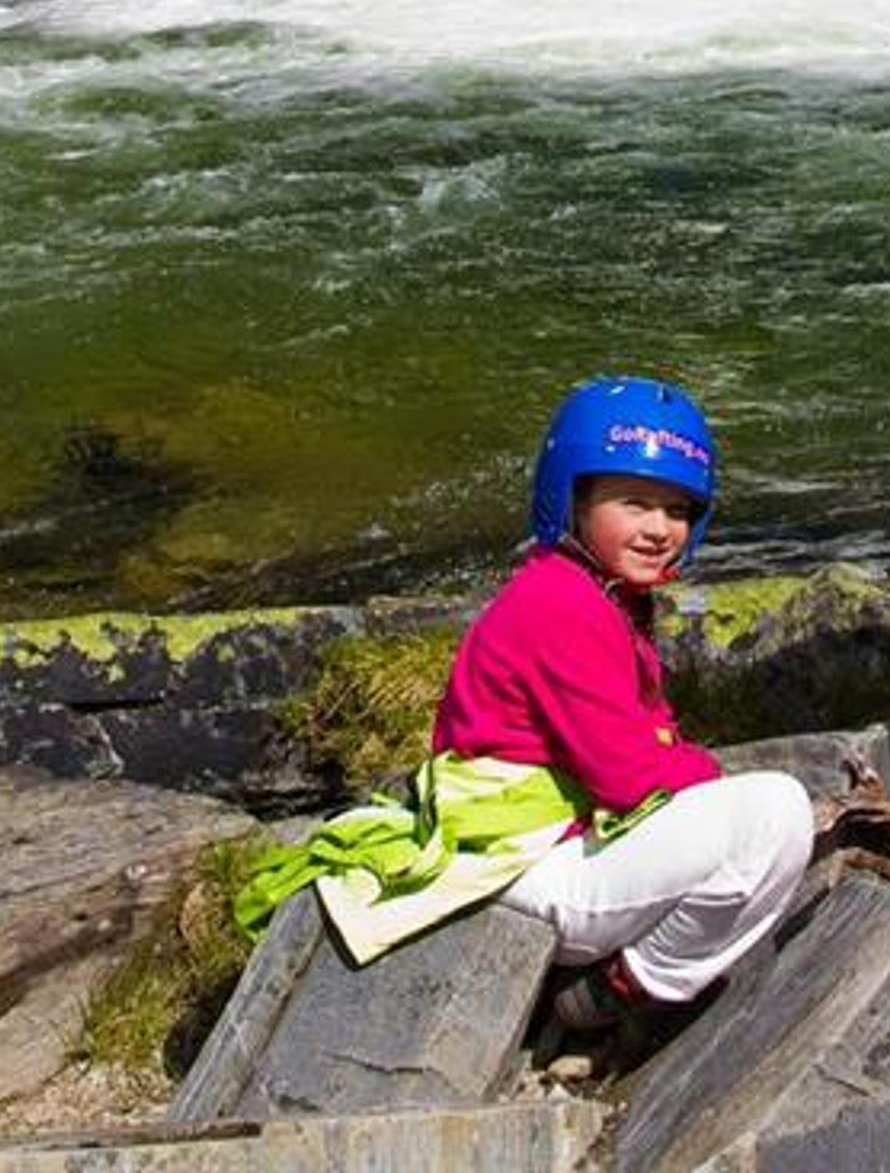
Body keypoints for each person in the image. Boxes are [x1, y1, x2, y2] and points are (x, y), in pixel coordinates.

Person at [235, 377, 812, 1039]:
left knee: (748, 811)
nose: (660, 529)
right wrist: (704, 773)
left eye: (678, 510)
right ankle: (622, 993)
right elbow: (629, 778)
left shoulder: (590, 590)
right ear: (572, 498)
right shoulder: (564, 606)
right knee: (776, 814)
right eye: (634, 503)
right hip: (526, 867)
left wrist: (676, 768)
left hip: (537, 841)